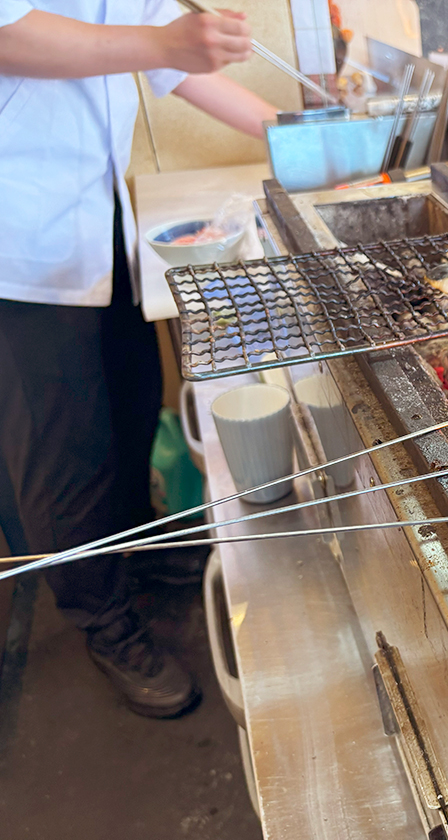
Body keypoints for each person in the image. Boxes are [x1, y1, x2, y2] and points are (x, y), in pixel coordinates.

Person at [0, 0, 280, 718]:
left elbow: (171, 59)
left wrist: (297, 133)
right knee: (64, 447)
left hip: (96, 223)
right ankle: (101, 618)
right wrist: (165, 38)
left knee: (129, 405)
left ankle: (136, 548)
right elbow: (11, 34)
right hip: (19, 238)